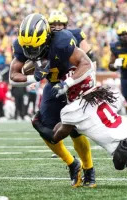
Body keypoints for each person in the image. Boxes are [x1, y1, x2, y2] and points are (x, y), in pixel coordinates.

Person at [9, 13, 96, 188]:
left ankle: (89, 170)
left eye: (36, 47)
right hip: (52, 84)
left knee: (74, 130)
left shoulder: (62, 41)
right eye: (28, 48)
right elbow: (13, 76)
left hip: (71, 83)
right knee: (44, 127)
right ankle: (72, 164)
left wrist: (68, 83)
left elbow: (86, 64)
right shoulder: (22, 44)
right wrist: (35, 78)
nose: (32, 52)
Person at [47, 10, 96, 159]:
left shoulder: (74, 34)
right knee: (58, 117)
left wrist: (91, 76)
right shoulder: (47, 38)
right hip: (57, 80)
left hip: (74, 79)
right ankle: (62, 149)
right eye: (53, 24)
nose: (56, 27)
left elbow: (89, 56)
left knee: (75, 120)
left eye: (59, 24)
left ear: (65, 24)